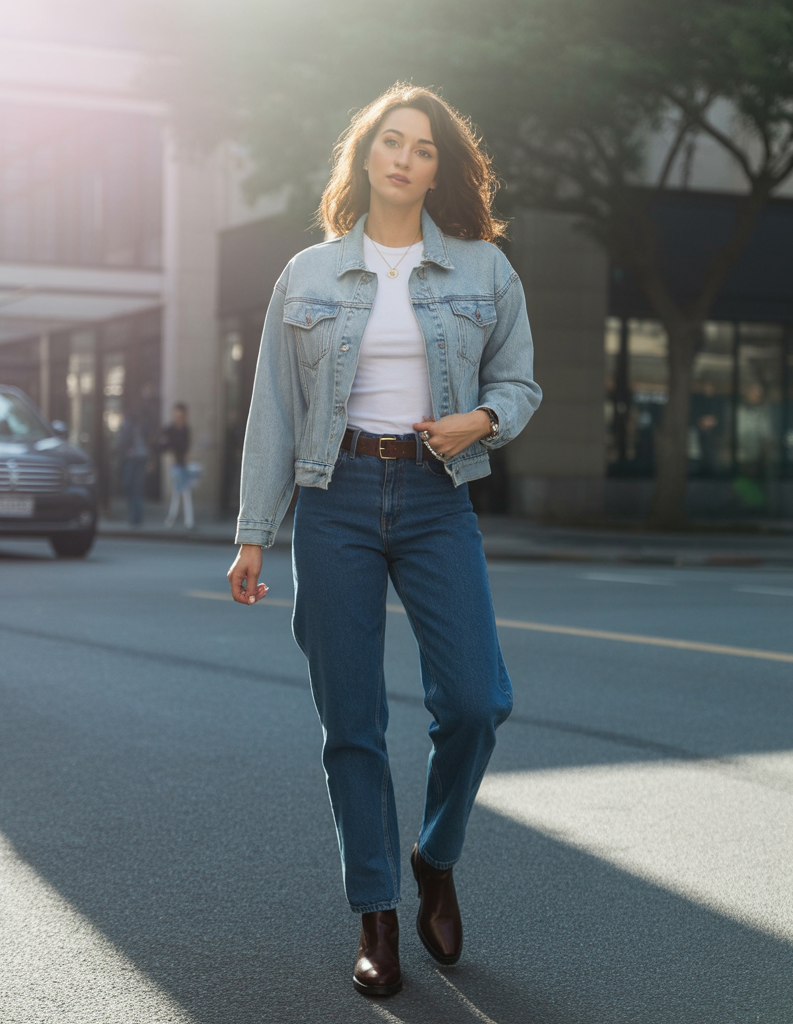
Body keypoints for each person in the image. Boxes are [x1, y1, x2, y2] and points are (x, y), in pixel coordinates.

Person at [227, 84, 541, 998]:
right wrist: (255, 535)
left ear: (442, 168)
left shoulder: (486, 271)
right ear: (365, 154)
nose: (405, 158)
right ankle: (375, 912)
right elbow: (275, 414)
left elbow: (520, 385)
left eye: (425, 148)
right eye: (391, 141)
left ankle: (434, 855)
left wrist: (477, 418)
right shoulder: (309, 273)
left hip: (439, 494)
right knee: (352, 720)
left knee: (478, 701)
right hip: (336, 497)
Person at [159, 402, 194, 529]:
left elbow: (187, 447)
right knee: (181, 492)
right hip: (175, 465)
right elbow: (163, 444)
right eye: (177, 415)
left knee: (182, 492)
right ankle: (180, 520)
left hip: (183, 465)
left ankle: (178, 520)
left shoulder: (185, 429)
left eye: (181, 415)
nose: (179, 418)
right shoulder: (170, 429)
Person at [116, 406, 150, 526]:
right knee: (134, 487)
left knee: (133, 487)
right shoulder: (136, 424)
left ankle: (136, 517)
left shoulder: (132, 424)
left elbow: (122, 441)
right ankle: (135, 517)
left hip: (136, 458)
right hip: (138, 457)